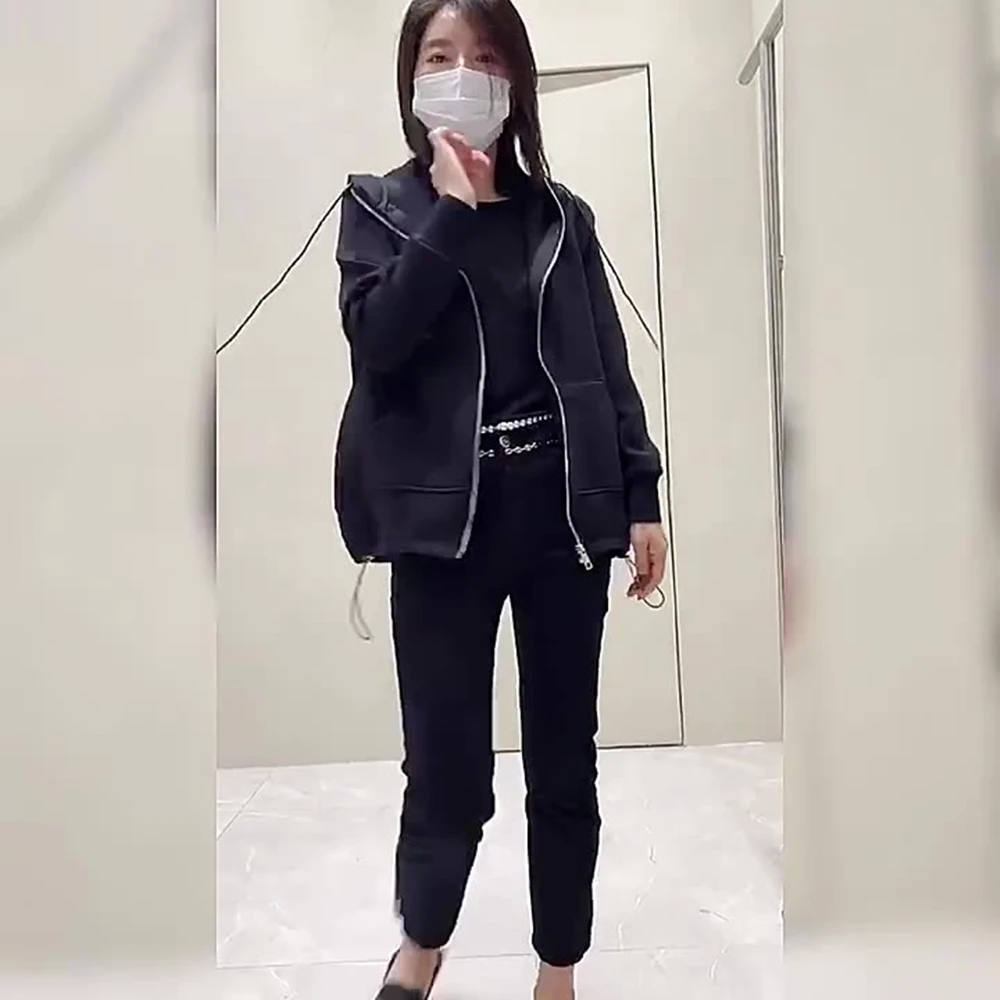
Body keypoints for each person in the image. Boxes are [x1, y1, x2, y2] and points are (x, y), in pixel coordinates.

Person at [334, 1, 668, 997]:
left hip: (562, 521)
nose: (461, 75)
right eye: (439, 55)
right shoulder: (379, 208)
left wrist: (640, 491)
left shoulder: (561, 217)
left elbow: (606, 365)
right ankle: (422, 943)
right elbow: (379, 342)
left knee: (564, 766)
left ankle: (558, 968)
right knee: (445, 769)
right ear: (410, 76)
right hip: (442, 531)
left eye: (483, 57)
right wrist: (449, 210)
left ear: (514, 78)